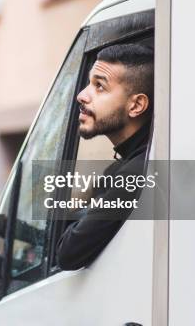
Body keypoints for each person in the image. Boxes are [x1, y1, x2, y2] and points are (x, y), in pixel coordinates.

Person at [56, 43, 154, 270]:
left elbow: (67, 254)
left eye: (99, 86)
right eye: (89, 83)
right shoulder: (131, 165)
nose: (81, 96)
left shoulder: (136, 172)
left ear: (136, 105)